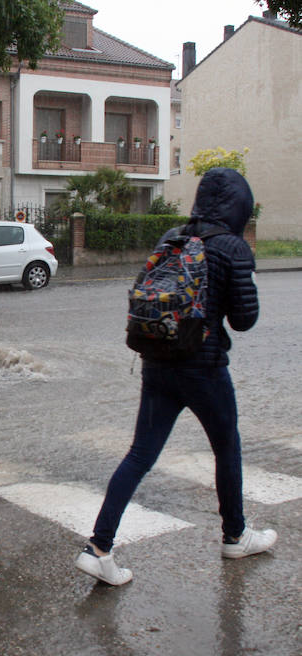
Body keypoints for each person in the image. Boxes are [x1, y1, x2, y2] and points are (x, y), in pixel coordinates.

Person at [75, 167, 276, 586]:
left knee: (139, 455)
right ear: (240, 205)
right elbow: (244, 320)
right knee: (227, 447)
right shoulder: (232, 247)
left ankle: (98, 548)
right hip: (203, 369)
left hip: (157, 363)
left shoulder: (172, 237)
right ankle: (235, 536)